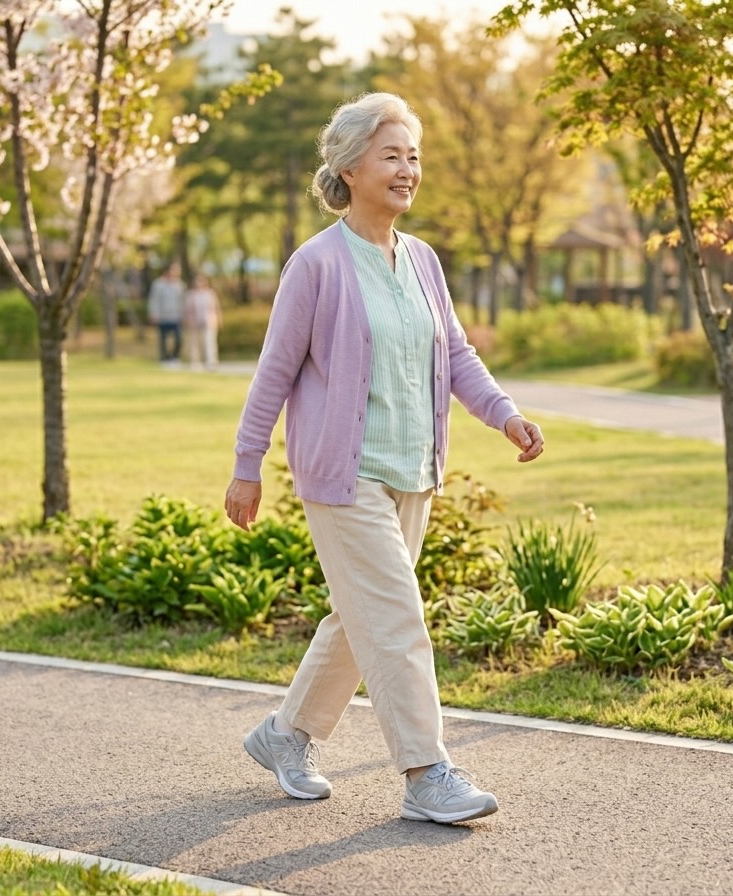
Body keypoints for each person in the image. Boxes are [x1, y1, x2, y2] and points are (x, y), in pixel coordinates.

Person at [224, 92, 545, 825]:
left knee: (358, 615)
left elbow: (455, 353)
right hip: (344, 476)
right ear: (349, 166)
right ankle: (426, 772)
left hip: (414, 469)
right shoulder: (316, 264)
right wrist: (248, 466)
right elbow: (274, 370)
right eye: (392, 156)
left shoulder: (423, 260)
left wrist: (505, 415)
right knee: (397, 618)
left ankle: (285, 735)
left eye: (414, 157)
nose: (408, 170)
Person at [183, 271, 221, 371]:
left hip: (208, 321)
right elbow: (188, 310)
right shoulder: (191, 294)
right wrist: (187, 321)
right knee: (195, 343)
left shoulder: (210, 293)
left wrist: (218, 320)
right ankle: (195, 362)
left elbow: (215, 308)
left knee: (209, 342)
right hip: (195, 322)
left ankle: (211, 362)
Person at [147, 262, 184, 365]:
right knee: (163, 339)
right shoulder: (158, 284)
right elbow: (154, 300)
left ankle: (175, 357)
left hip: (175, 316)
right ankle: (164, 358)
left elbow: (182, 301)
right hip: (162, 316)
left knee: (178, 338)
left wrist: (183, 314)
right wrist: (154, 314)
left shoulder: (179, 285)